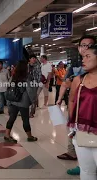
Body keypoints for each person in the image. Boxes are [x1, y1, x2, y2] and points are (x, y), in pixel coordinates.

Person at [56, 35, 96, 175]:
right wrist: (73, 121)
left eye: (89, 47)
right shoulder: (78, 75)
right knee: (87, 170)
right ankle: (75, 156)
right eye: (83, 46)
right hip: (82, 125)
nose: (85, 50)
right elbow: (71, 96)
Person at [67, 44, 97, 180]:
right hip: (82, 132)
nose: (83, 60)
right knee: (87, 171)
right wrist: (72, 123)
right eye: (82, 57)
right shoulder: (79, 80)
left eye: (88, 56)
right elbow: (72, 100)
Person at [4, 60, 38, 143]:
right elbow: (30, 90)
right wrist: (34, 100)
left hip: (13, 101)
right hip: (23, 102)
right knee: (25, 119)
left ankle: (7, 135)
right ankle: (30, 136)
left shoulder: (13, 76)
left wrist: (8, 101)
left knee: (12, 118)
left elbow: (8, 88)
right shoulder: (27, 77)